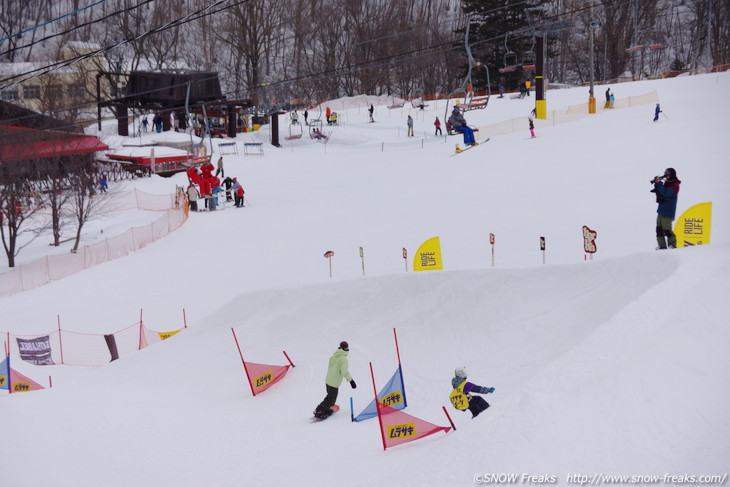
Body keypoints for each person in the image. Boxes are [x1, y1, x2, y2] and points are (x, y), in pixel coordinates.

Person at [313, 341, 356, 419]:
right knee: (331, 400)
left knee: (329, 397)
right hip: (334, 383)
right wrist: (351, 380)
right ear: (345, 349)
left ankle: (323, 409)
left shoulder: (333, 357)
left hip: (328, 381)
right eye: (346, 348)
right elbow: (344, 371)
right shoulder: (343, 359)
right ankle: (319, 410)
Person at [652, 168, 681, 249]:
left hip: (668, 211)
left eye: (667, 175)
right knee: (659, 229)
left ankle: (672, 245)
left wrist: (659, 183)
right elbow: (661, 191)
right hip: (661, 210)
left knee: (667, 230)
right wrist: (657, 183)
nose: (666, 177)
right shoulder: (668, 182)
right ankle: (662, 246)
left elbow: (665, 193)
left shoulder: (675, 185)